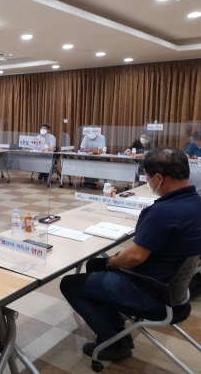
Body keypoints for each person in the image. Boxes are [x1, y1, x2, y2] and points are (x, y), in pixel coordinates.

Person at [60, 148, 201, 362]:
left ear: (158, 178)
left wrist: (113, 262)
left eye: (148, 178)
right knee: (95, 266)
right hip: (175, 289)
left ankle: (113, 343)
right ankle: (117, 328)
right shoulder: (196, 203)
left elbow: (135, 257)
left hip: (149, 291)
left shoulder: (162, 212)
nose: (149, 183)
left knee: (69, 284)